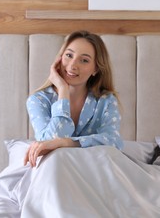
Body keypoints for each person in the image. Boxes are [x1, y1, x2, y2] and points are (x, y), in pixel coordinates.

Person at [24, 30, 123, 167]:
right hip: (54, 171)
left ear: (96, 69)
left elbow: (113, 142)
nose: (73, 65)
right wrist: (63, 91)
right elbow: (47, 144)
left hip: (94, 171)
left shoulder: (106, 100)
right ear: (59, 59)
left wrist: (67, 142)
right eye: (69, 55)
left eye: (84, 60)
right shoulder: (38, 101)